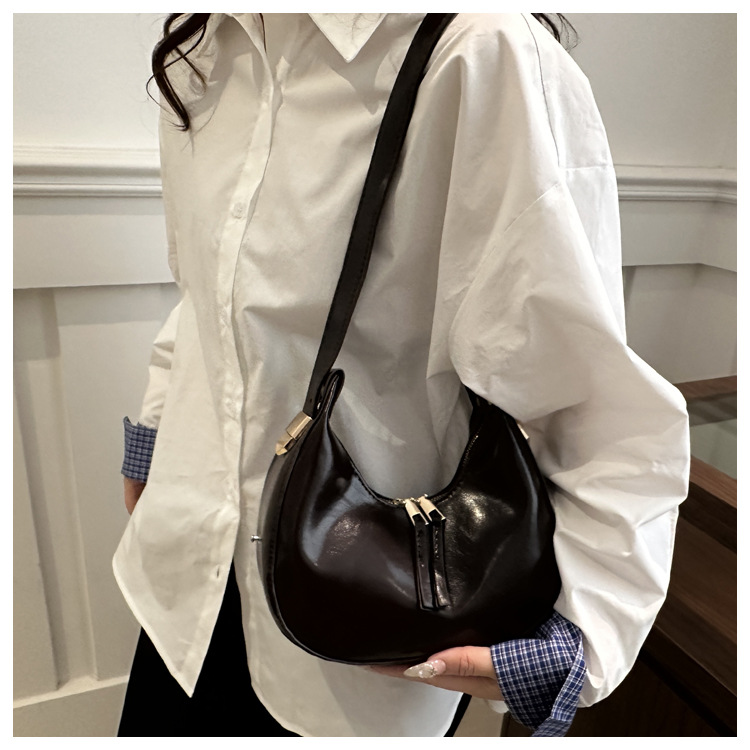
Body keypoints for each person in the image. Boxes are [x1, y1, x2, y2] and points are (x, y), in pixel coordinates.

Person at [115, 13, 690, 737]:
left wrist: (575, 635)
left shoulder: (478, 53)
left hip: (363, 616)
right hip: (184, 581)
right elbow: (202, 298)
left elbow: (585, 394)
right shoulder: (203, 49)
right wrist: (154, 443)